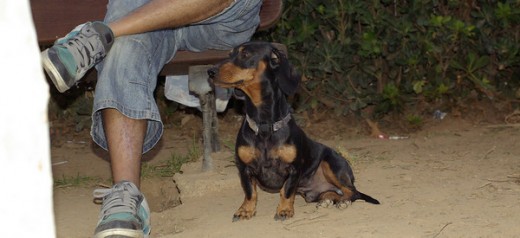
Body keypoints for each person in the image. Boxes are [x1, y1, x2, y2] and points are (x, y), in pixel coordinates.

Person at [41, 0, 262, 237]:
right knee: (122, 46)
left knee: (119, 32)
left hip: (219, 22)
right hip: (145, 16)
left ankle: (100, 35)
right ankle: (126, 200)